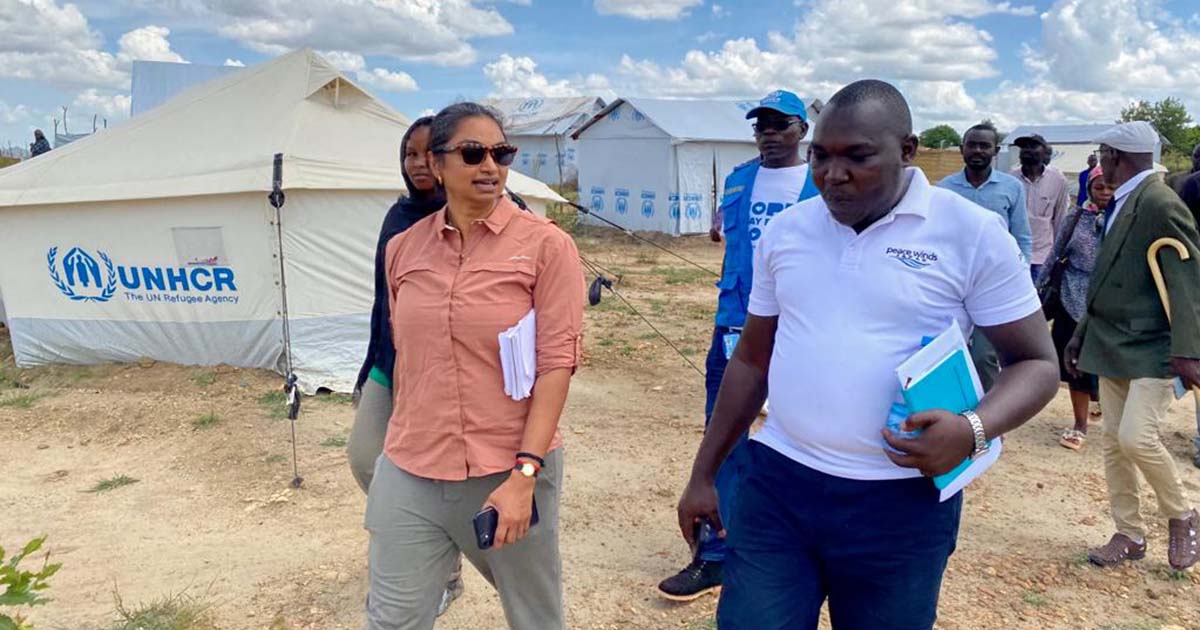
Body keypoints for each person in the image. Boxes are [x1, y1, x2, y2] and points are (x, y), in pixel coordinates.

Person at [677, 80, 1059, 629]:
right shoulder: (787, 233)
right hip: (780, 486)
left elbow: (1037, 364)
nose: (834, 175)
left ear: (907, 150)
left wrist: (973, 429)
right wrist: (704, 472)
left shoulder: (971, 234)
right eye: (821, 157)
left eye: (857, 157)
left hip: (901, 506)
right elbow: (752, 361)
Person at [365, 102, 584, 629]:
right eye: (472, 153)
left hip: (505, 470)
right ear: (436, 164)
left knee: (535, 617)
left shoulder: (546, 246)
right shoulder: (402, 248)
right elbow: (407, 352)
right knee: (392, 619)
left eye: (500, 153)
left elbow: (557, 363)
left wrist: (525, 472)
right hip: (411, 465)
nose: (490, 165)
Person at [665, 89, 819, 603]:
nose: (769, 133)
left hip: (804, 330)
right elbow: (724, 236)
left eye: (780, 124)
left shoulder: (823, 184)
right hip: (736, 326)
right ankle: (715, 556)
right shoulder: (738, 179)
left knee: (802, 440)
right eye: (761, 126)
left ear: (802, 129)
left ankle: (795, 546)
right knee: (725, 436)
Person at [1065, 121, 1199, 571]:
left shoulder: (1160, 203)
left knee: (1136, 437)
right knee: (1114, 443)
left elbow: (1187, 279)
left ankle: (1183, 514)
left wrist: (1189, 348)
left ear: (1115, 156)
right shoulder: (1123, 201)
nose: (1100, 165)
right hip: (1111, 339)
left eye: (1103, 155)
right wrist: (1082, 332)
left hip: (1153, 344)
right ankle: (1130, 533)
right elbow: (1105, 278)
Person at [347, 116, 465, 617]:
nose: (418, 164)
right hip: (390, 363)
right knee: (364, 457)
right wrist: (369, 365)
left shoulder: (474, 212)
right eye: (409, 154)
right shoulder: (398, 217)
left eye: (427, 153)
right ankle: (431, 542)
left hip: (444, 372)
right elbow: (383, 302)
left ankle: (441, 569)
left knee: (438, 469)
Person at [937, 121, 1031, 392]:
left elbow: (1021, 236)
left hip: (992, 285)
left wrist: (1021, 276)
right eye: (972, 144)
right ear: (961, 149)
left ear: (995, 150)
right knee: (945, 352)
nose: (977, 150)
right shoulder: (944, 189)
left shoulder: (1011, 188)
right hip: (951, 284)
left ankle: (990, 420)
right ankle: (951, 412)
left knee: (984, 356)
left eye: (984, 145)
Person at [1036, 166, 1110, 450]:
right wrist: (1039, 287)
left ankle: (1104, 403)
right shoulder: (1077, 216)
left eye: (1109, 187)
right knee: (1075, 364)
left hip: (1110, 300)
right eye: (1098, 187)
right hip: (1072, 295)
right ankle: (1080, 424)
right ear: (1088, 189)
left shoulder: (1127, 218)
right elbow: (1056, 253)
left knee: (1108, 365)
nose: (1104, 193)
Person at [1011, 133, 1070, 281]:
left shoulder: (1058, 180)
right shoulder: (1011, 179)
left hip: (1042, 255)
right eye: (1024, 147)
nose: (1027, 150)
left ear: (1045, 152)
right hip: (1014, 253)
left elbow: (1060, 218)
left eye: (1033, 146)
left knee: (1039, 299)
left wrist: (1057, 254)